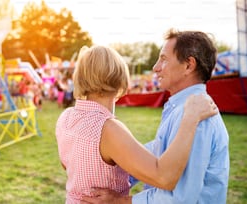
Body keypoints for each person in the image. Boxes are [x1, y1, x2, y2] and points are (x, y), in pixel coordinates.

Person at [55, 45, 218, 204]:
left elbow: (66, 164)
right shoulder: (109, 128)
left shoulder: (65, 117)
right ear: (119, 79)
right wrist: (190, 119)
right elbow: (164, 178)